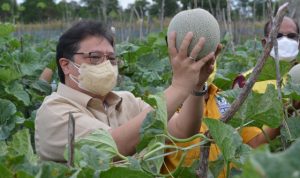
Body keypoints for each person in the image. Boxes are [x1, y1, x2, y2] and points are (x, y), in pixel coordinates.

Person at [35, 20, 218, 162]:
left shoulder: (127, 101)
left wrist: (196, 86)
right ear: (66, 65)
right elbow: (114, 147)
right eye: (95, 57)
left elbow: (182, 131)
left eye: (111, 58)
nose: (105, 64)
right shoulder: (53, 112)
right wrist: (179, 86)